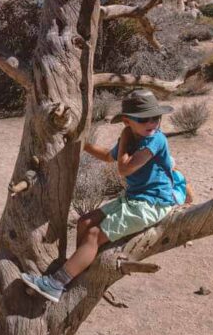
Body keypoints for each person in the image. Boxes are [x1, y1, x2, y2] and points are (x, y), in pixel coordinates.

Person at [21, 89, 192, 303]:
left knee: (93, 234)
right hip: (134, 199)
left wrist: (125, 137)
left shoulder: (156, 140)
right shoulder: (132, 138)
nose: (152, 122)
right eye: (144, 118)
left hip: (152, 204)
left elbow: (124, 169)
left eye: (155, 117)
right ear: (128, 121)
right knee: (84, 222)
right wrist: (82, 144)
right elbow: (106, 156)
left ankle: (57, 283)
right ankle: (77, 273)